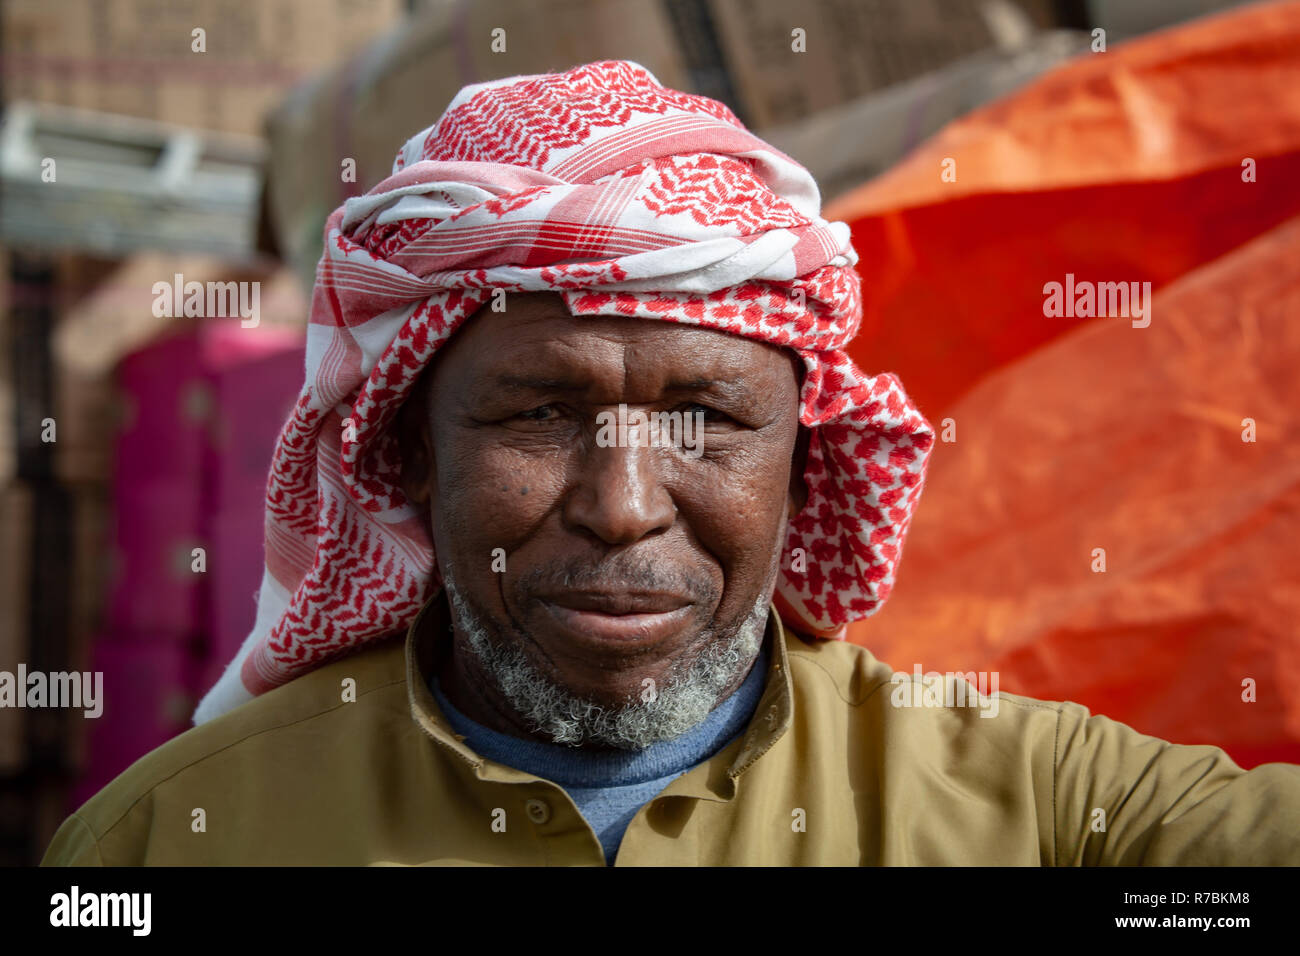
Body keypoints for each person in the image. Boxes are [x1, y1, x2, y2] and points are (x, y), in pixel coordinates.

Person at [42, 60, 1300, 866]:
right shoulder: (164, 845)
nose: (624, 507)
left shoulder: (1045, 813)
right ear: (408, 451)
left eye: (705, 416)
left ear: (807, 462)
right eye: (538, 414)